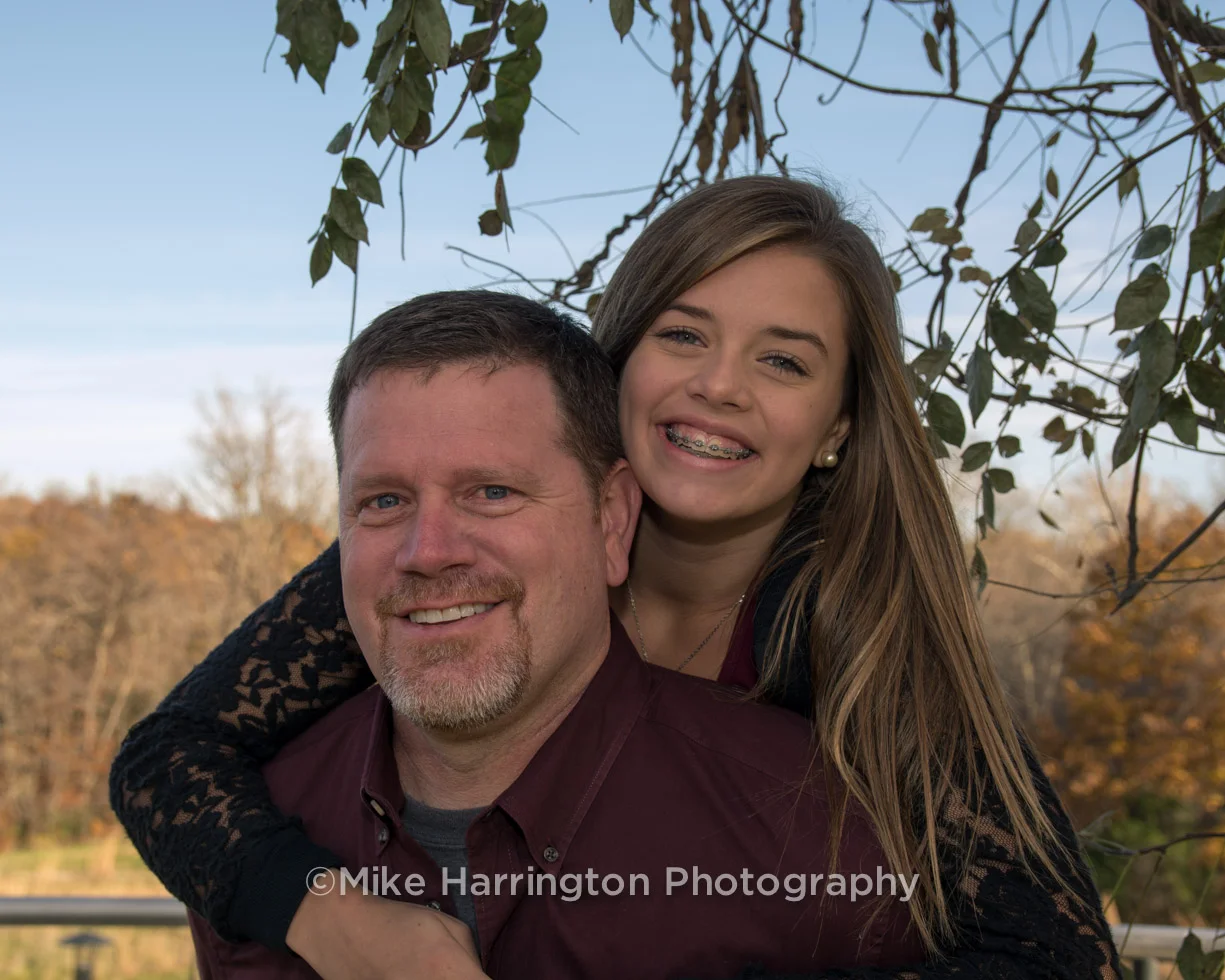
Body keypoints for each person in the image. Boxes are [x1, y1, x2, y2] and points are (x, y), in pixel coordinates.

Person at [111, 176, 1122, 980]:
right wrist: (344, 923)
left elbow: (1057, 957)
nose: (718, 384)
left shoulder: (858, 626)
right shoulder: (456, 551)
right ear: (618, 359)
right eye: (683, 334)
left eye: (782, 362)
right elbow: (167, 758)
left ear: (837, 428)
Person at [185, 290, 923, 979]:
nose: (427, 550)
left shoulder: (820, 834)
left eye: (492, 492)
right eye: (383, 501)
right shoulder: (252, 836)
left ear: (611, 520)